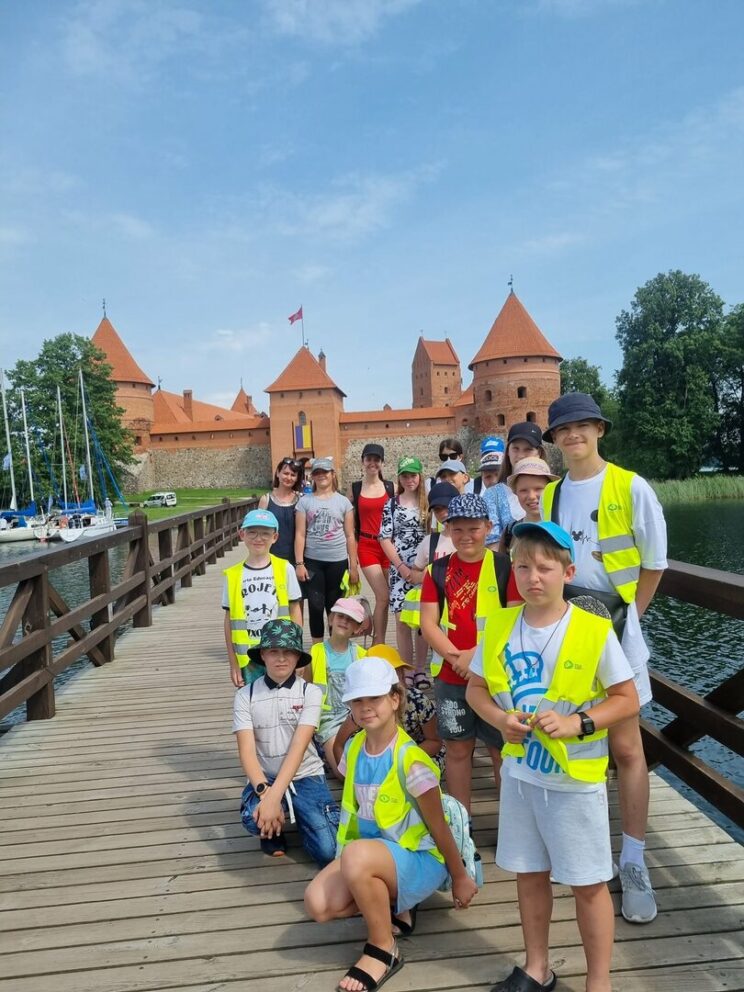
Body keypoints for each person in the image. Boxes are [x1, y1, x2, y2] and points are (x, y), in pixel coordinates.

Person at [466, 521, 639, 992]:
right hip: (521, 775)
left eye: (544, 568)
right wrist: (500, 720)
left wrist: (578, 722)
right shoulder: (500, 625)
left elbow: (627, 700)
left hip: (574, 783)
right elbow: (476, 689)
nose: (533, 578)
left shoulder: (593, 630)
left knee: (589, 884)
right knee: (528, 874)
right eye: (523, 567)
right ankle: (537, 967)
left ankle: (598, 981)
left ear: (568, 572)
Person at [541, 392, 668, 924]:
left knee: (627, 746)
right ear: (554, 439)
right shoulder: (550, 494)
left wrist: (628, 620)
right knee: (573, 738)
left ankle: (634, 861)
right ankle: (582, 851)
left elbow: (655, 564)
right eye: (562, 430)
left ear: (598, 429)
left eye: (582, 426)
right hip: (569, 628)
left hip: (617, 628)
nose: (573, 436)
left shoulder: (630, 486)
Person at [304, 656, 478, 992]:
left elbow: (438, 826)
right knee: (318, 904)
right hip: (375, 857)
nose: (365, 707)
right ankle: (396, 905)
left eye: (375, 697)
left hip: (419, 857)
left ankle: (383, 948)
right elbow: (342, 764)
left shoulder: (411, 760)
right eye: (357, 700)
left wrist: (460, 878)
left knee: (356, 856)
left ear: (395, 699)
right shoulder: (355, 748)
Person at [419, 493, 511, 815]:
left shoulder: (505, 567)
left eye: (474, 528)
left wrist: (477, 657)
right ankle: (462, 823)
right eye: (457, 529)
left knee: (501, 749)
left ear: (488, 527)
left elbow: (515, 619)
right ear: (447, 530)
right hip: (450, 677)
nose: (466, 536)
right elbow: (428, 623)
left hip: (495, 677)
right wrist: (457, 658)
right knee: (457, 749)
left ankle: (511, 823)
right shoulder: (436, 571)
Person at [233, 618, 339, 863]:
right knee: (252, 818)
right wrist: (265, 792)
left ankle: (296, 815)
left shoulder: (310, 692)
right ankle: (274, 826)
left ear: (297, 657)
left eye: (288, 652)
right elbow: (247, 751)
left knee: (328, 852)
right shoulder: (245, 695)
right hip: (266, 777)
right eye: (273, 651)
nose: (281, 658)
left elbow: (299, 747)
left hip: (306, 774)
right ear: (263, 655)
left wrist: (273, 798)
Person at [332, 643, 446, 772]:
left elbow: (434, 741)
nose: (395, 681)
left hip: (415, 753)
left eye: (397, 673)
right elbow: (339, 744)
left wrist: (400, 759)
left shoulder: (418, 701)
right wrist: (346, 775)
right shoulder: (363, 711)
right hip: (374, 758)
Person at [223, 509, 303, 688]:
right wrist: (233, 662)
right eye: (252, 532)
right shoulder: (232, 575)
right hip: (248, 658)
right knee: (253, 700)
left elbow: (295, 610)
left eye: (265, 533)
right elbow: (229, 620)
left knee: (284, 699)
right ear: (242, 534)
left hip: (281, 653)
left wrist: (297, 651)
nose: (258, 538)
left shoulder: (285, 568)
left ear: (275, 537)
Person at [399, 481, 459, 690]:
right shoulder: (430, 542)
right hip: (435, 599)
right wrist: (428, 574)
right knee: (424, 631)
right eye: (437, 509)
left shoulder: (465, 539)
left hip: (459, 600)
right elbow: (415, 572)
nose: (443, 513)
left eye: (446, 507)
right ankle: (420, 670)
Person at [295, 458, 359, 644]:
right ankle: (317, 649)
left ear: (333, 474)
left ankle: (335, 646)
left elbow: (350, 535)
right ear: (312, 476)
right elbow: (300, 534)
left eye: (325, 471)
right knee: (315, 607)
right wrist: (299, 563)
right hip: (313, 561)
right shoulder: (305, 502)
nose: (321, 475)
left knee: (335, 607)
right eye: (317, 472)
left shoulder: (343, 502)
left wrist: (353, 566)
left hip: (337, 561)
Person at [306, 597, 368, 779]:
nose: (344, 621)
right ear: (331, 619)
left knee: (370, 761)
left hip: (356, 717)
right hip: (329, 720)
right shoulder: (316, 652)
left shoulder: (361, 655)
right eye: (340, 616)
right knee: (343, 773)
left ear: (357, 628)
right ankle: (324, 750)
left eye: (350, 619)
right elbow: (307, 688)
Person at [379, 456, 428, 671]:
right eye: (405, 476)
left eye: (413, 475)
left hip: (424, 567)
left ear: (420, 476)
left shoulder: (428, 503)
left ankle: (420, 669)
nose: (410, 480)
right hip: (400, 569)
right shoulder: (391, 504)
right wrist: (401, 567)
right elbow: (384, 538)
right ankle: (407, 669)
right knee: (402, 621)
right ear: (399, 478)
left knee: (422, 622)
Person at [349, 443, 396, 644]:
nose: (372, 463)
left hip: (389, 546)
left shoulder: (390, 487)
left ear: (382, 463)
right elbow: (350, 525)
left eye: (377, 460)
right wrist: (352, 560)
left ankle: (381, 642)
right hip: (367, 546)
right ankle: (377, 642)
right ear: (363, 461)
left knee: (386, 599)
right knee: (383, 596)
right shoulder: (355, 488)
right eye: (369, 459)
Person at [499, 457, 560, 555]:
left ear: (550, 489)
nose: (531, 496)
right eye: (523, 490)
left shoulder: (562, 526)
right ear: (515, 492)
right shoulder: (510, 532)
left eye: (538, 489)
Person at [497, 422, 548, 521]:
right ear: (508, 451)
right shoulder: (494, 495)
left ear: (539, 452)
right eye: (515, 449)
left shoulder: (556, 490)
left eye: (528, 449)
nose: (520, 456)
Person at [258, 457, 303, 563]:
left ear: (297, 478)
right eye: (286, 473)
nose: (289, 477)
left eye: (293, 475)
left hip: (296, 557)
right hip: (271, 556)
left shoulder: (301, 500)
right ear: (278, 473)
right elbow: (259, 530)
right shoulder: (266, 500)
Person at [479, 452, 514, 549]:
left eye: (497, 474)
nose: (493, 481)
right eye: (488, 477)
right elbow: (492, 539)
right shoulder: (488, 495)